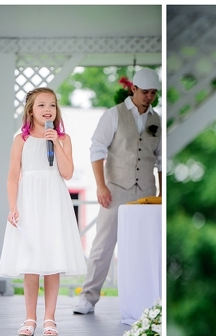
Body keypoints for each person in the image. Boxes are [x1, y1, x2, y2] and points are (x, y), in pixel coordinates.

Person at [0, 87, 86, 336]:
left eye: (52, 105)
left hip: (54, 201)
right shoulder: (21, 140)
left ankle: (50, 318)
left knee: (52, 260)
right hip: (29, 201)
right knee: (31, 262)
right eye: (41, 105)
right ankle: (29, 318)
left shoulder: (63, 139)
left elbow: (67, 173)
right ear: (31, 110)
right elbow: (13, 176)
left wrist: (56, 142)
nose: (48, 109)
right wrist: (13, 206)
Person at [73, 68, 162, 314]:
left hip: (146, 192)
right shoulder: (114, 115)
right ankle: (88, 298)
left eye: (153, 92)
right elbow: (96, 149)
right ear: (133, 89)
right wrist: (101, 185)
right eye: (145, 92)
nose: (149, 97)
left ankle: (144, 302)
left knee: (144, 248)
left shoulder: (158, 120)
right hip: (116, 190)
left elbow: (161, 160)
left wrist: (161, 194)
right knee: (103, 244)